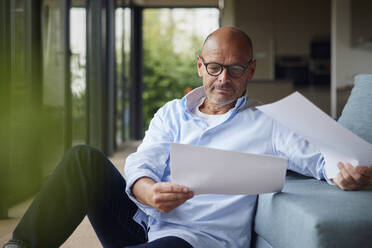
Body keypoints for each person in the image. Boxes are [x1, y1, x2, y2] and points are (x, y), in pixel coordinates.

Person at [4, 26, 372, 248]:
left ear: (251, 70)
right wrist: (146, 189)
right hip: (143, 221)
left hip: (197, 240)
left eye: (235, 69)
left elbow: (321, 158)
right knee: (82, 158)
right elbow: (142, 159)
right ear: (200, 66)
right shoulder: (172, 112)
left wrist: (343, 171)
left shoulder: (270, 122)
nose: (223, 78)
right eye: (214, 67)